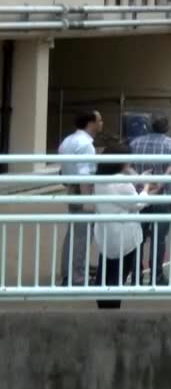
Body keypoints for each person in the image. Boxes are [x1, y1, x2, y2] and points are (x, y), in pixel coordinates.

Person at [129, 115, 171, 287]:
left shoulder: (134, 143)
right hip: (163, 195)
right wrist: (160, 183)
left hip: (140, 194)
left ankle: (136, 275)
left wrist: (140, 180)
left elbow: (128, 165)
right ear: (167, 127)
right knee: (159, 238)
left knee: (138, 238)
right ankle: (156, 276)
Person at [89, 154, 146, 310]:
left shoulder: (99, 181)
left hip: (106, 236)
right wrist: (147, 188)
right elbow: (138, 203)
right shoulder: (122, 183)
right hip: (124, 238)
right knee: (117, 276)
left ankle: (103, 308)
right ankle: (112, 311)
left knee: (105, 274)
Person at [58, 111, 100, 288]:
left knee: (73, 234)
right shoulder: (86, 145)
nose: (101, 124)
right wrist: (87, 200)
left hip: (71, 189)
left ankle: (69, 272)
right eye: (99, 120)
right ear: (91, 123)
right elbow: (84, 174)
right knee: (82, 237)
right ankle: (77, 278)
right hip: (83, 191)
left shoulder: (68, 141)